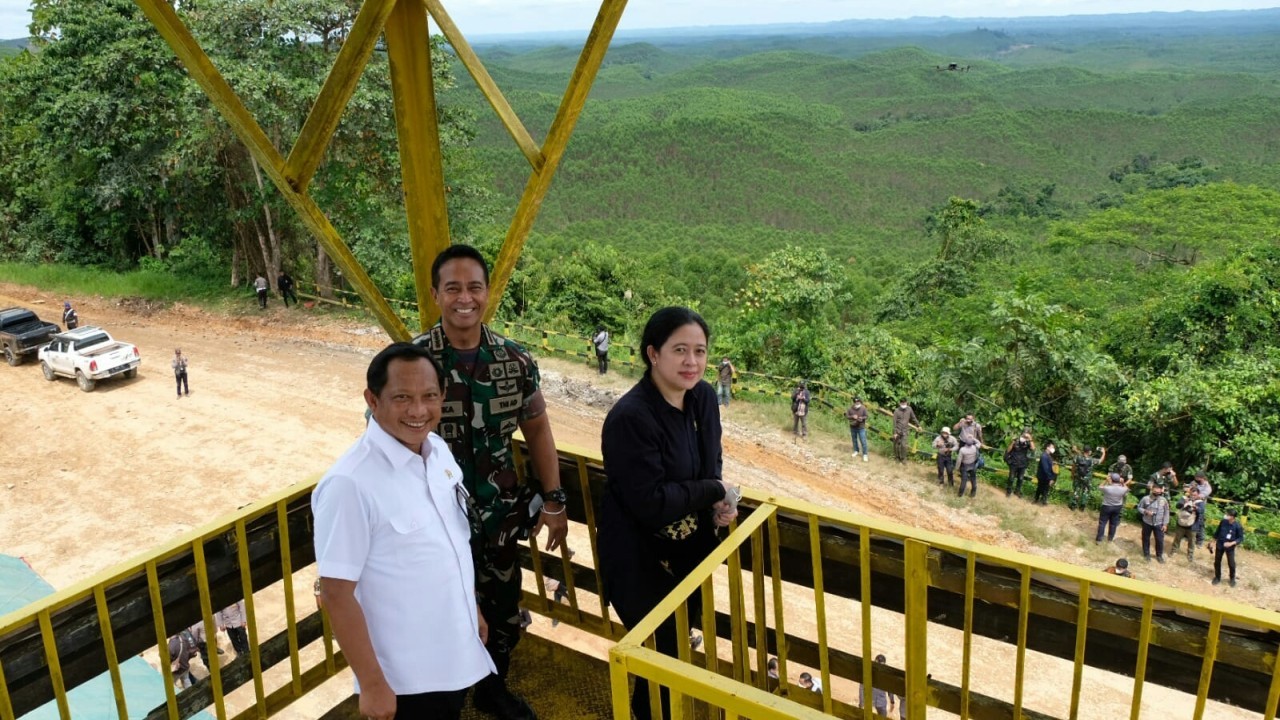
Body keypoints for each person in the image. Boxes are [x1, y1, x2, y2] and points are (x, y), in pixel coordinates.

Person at [412, 245, 566, 720]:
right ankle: (447, 699)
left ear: (487, 294)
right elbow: (384, 443)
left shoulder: (514, 361)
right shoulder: (412, 363)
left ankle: (492, 689)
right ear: (436, 293)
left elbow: (537, 427)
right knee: (439, 613)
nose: (464, 298)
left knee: (500, 611)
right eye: (452, 287)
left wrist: (555, 498)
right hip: (433, 522)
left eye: (474, 287)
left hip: (500, 517)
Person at [314, 342, 495, 720]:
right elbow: (336, 593)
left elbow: (450, 543)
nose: (418, 410)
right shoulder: (350, 484)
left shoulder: (438, 451)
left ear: (443, 395)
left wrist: (471, 609)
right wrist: (373, 683)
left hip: (454, 654)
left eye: (429, 396)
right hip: (404, 681)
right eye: (402, 397)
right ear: (372, 400)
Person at [599, 306, 738, 720]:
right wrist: (713, 490)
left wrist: (716, 505)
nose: (692, 362)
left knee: (674, 647)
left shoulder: (703, 399)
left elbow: (710, 463)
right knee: (660, 650)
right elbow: (652, 504)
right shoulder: (631, 417)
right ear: (653, 354)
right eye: (680, 350)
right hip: (636, 554)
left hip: (689, 551)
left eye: (699, 350)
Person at [1096, 472, 1133, 543]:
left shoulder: (1107, 488)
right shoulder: (1122, 489)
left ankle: (1099, 539)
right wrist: (1123, 483)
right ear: (1119, 480)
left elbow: (1100, 487)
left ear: (1111, 479)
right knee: (1113, 524)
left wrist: (1106, 480)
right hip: (1117, 507)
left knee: (1102, 523)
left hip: (1106, 506)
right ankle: (1110, 538)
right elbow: (1127, 489)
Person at [1137, 484, 1170, 563]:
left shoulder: (1164, 500)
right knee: (1146, 539)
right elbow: (1139, 507)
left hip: (1159, 524)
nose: (1157, 493)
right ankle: (1146, 554)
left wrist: (1165, 524)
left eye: (1159, 492)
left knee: (1159, 540)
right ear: (1152, 490)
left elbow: (1166, 512)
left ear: (1161, 491)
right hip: (1147, 522)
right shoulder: (1145, 499)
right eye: (1155, 491)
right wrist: (1145, 511)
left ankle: (1159, 556)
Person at [1210, 508, 1243, 587]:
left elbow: (1240, 538)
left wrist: (1231, 543)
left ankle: (1232, 578)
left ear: (1232, 517)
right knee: (1217, 561)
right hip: (1220, 544)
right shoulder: (1223, 522)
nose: (1226, 515)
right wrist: (1212, 541)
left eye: (1228, 514)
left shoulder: (1238, 526)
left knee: (1231, 563)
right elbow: (1217, 532)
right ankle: (1217, 577)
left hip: (1230, 547)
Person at [1068, 446, 1107, 511]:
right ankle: (1082, 507)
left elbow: (1073, 467)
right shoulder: (1091, 460)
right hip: (1087, 479)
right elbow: (1100, 460)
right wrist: (1104, 453)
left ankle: (1073, 506)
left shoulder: (1077, 457)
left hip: (1078, 477)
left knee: (1076, 490)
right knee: (1085, 491)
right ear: (1089, 452)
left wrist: (1072, 475)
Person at [1170, 487, 1202, 561]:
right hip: (1181, 523)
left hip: (1193, 525)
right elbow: (1177, 506)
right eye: (1191, 494)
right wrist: (1184, 502)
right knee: (1177, 538)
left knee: (1192, 541)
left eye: (1195, 495)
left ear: (1198, 495)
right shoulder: (1184, 498)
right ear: (1189, 493)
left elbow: (1201, 511)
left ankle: (1190, 554)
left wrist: (1196, 508)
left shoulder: (1200, 502)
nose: (1193, 496)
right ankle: (1173, 551)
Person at [1004, 430, 1035, 497]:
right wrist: (1012, 443)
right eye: (1024, 435)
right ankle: (1008, 491)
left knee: (1020, 478)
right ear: (1021, 434)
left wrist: (1030, 439)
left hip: (1023, 463)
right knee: (1011, 478)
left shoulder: (1028, 442)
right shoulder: (1016, 440)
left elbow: (1033, 448)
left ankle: (1017, 491)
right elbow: (1008, 450)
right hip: (1013, 462)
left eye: (1026, 436)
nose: (1025, 437)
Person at [1192, 471, 1213, 548]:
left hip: (1200, 505)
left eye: (1197, 478)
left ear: (1202, 478)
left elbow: (1200, 496)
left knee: (1200, 523)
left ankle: (1200, 541)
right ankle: (1188, 536)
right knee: (1190, 520)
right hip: (1191, 504)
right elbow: (1189, 489)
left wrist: (1192, 493)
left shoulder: (1207, 487)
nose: (1195, 480)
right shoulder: (1194, 483)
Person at [845, 397, 870, 462]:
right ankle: (856, 450)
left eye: (858, 401)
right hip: (853, 426)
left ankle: (865, 454)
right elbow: (847, 415)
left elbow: (866, 416)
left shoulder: (863, 408)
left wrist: (862, 418)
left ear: (860, 401)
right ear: (854, 402)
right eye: (855, 401)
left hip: (861, 427)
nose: (857, 402)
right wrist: (852, 416)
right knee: (854, 440)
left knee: (863, 441)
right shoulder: (850, 408)